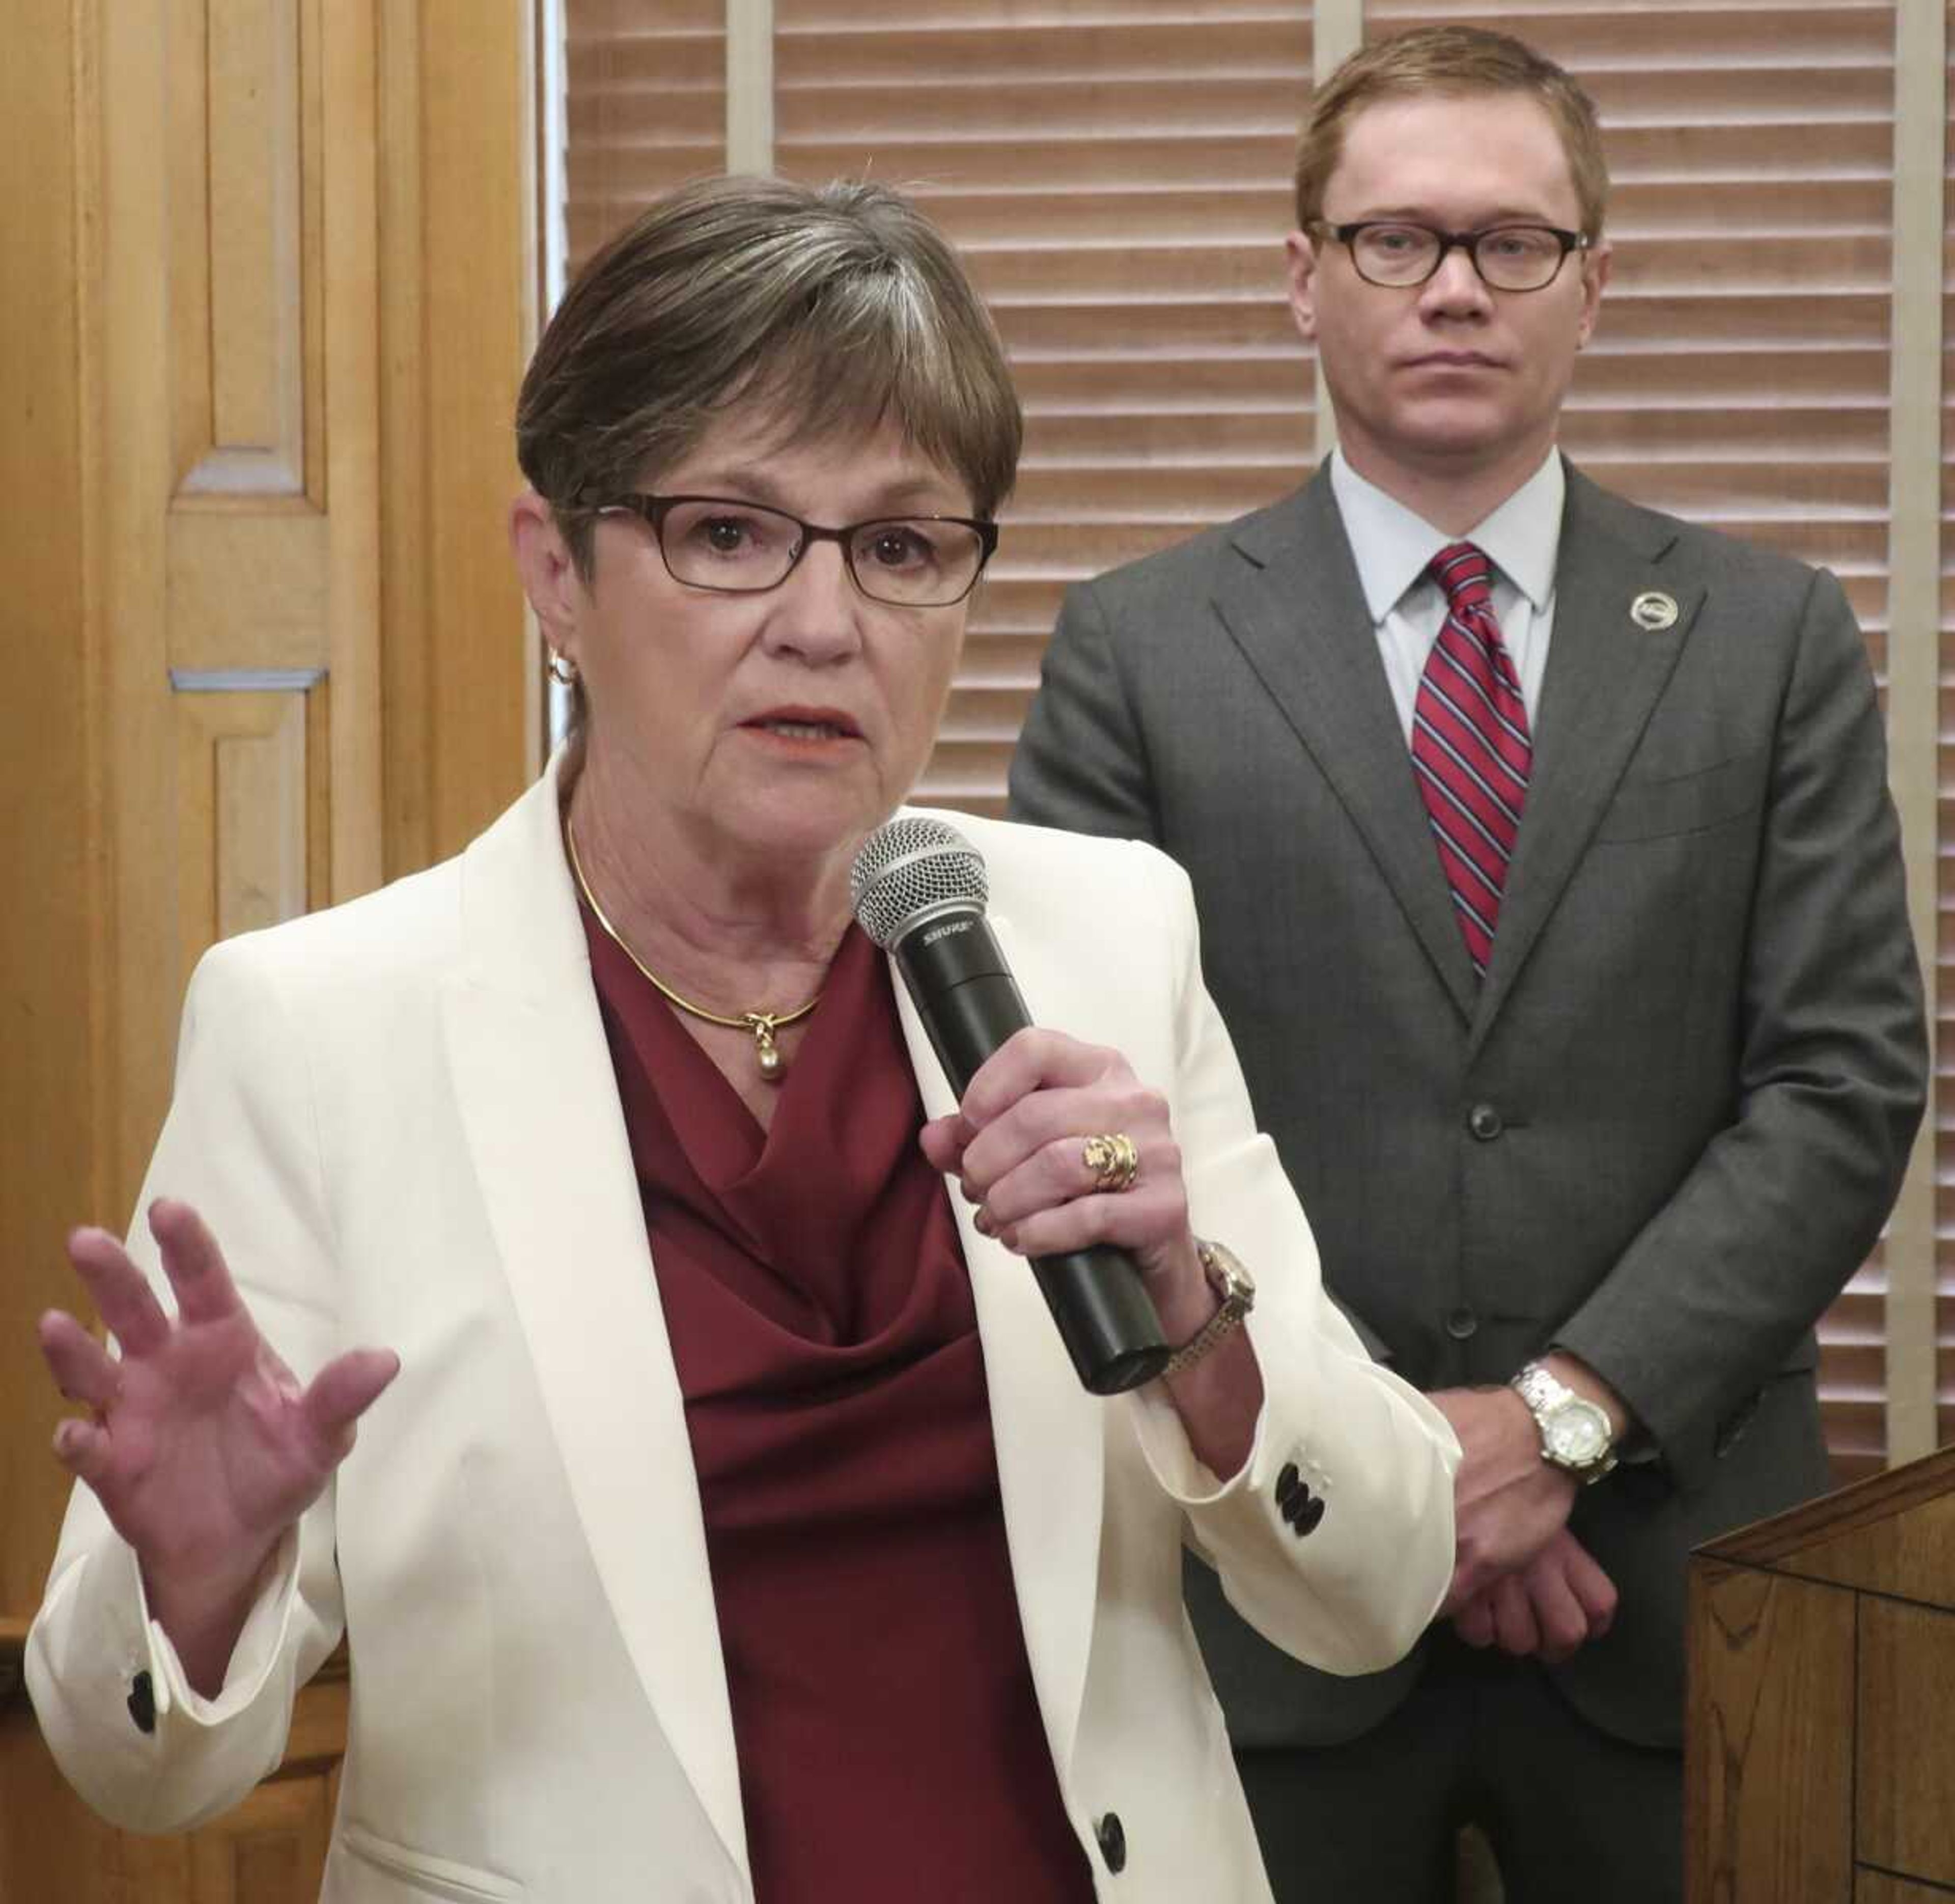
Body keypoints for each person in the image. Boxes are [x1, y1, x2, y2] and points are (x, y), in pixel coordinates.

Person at [24, 176, 1457, 1902]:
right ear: (557, 572)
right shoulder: (322, 1029)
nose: (823, 620)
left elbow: (1376, 1579)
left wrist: (1195, 1326)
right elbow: (139, 1772)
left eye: (902, 547)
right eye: (728, 532)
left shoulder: (1104, 935)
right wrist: (194, 1579)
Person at [1008, 26, 1928, 1904]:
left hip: (1675, 1602)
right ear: (1301, 274)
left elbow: (1840, 1082)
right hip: (1265, 1593)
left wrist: (1557, 1428)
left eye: (1513, 244)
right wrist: (1408, 1483)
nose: (1452, 288)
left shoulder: (1770, 642)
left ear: (1593, 287)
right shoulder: (1135, 653)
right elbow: (1106, 1127)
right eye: (1394, 240)